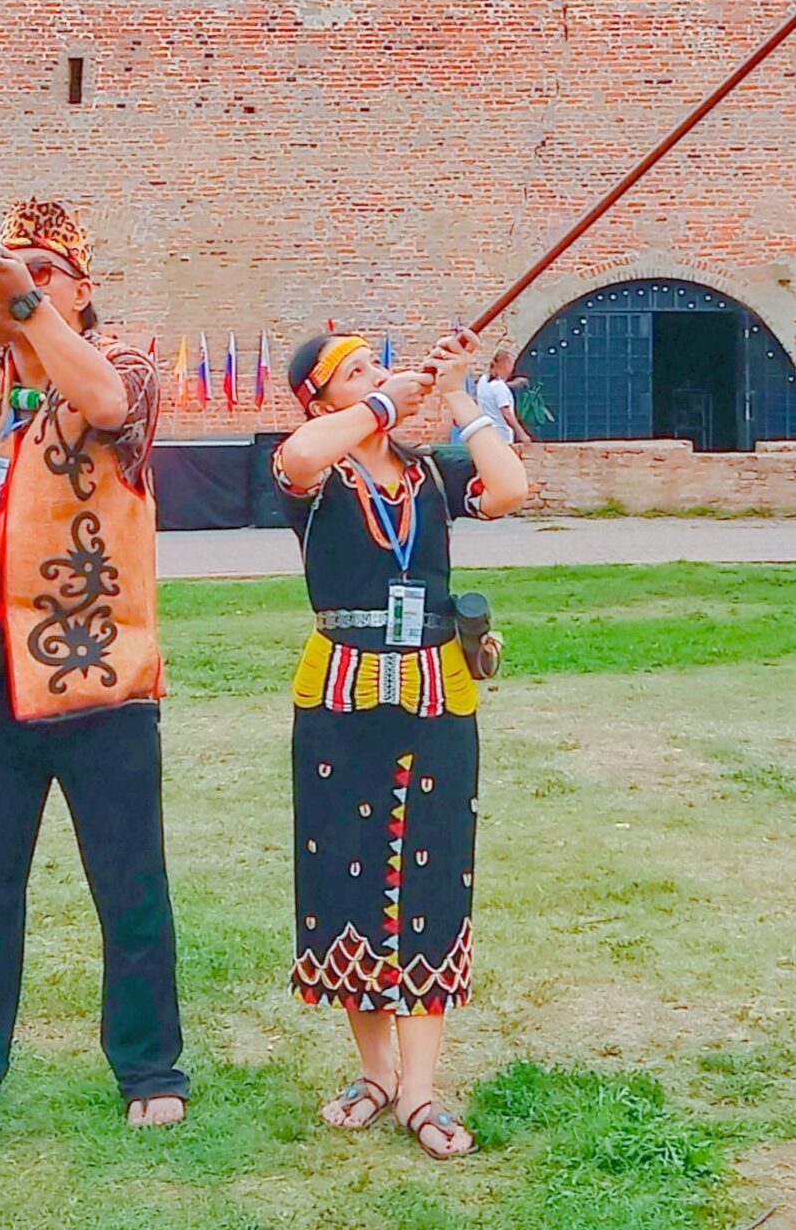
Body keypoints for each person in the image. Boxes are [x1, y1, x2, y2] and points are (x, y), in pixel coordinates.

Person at [0, 199, 188, 1129]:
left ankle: (151, 1071)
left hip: (105, 678)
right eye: (11, 268)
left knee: (129, 889)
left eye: (44, 272)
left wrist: (30, 309)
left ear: (81, 290)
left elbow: (105, 406)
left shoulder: (122, 365)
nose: (23, 282)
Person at [273, 327, 527, 1160]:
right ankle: (375, 1072)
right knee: (344, 869)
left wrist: (455, 393)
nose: (376, 376)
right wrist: (384, 403)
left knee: (433, 872)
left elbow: (510, 487)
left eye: (376, 364)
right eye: (353, 372)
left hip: (435, 694)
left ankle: (419, 1087)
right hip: (341, 698)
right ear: (318, 399)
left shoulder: (430, 472)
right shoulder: (314, 477)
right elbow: (302, 453)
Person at [473, 348, 525, 447]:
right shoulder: (499, 387)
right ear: (506, 364)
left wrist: (513, 384)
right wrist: (521, 434)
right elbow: (506, 413)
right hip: (502, 436)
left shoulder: (483, 381)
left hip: (487, 433)